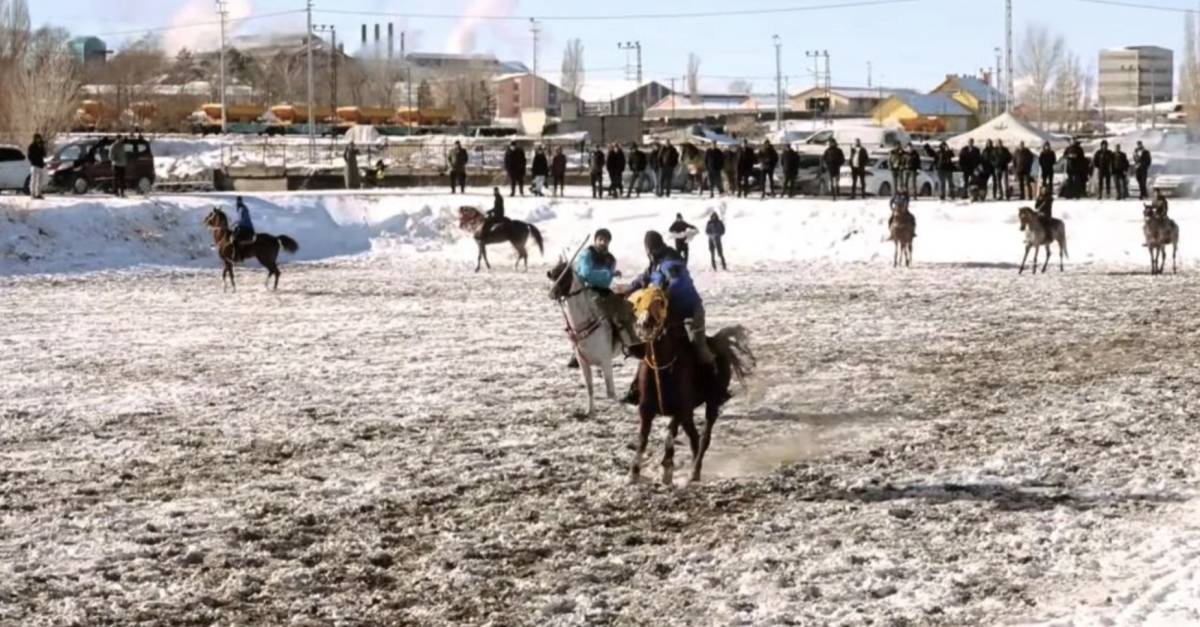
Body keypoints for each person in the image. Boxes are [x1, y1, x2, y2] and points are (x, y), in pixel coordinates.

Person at [626, 230, 716, 370]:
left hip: (689, 311)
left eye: (649, 249)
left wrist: (663, 294)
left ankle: (714, 378)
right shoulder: (654, 263)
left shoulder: (671, 261)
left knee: (697, 345)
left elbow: (677, 281)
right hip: (668, 312)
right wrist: (627, 290)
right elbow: (642, 279)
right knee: (652, 339)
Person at [566, 228, 640, 369]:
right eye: (600, 239)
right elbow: (587, 274)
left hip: (603, 291)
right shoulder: (587, 254)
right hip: (586, 291)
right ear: (595, 240)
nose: (603, 242)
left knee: (626, 309)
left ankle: (627, 343)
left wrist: (606, 275)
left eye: (605, 240)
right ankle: (577, 354)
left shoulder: (611, 259)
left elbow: (603, 282)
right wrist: (608, 273)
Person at [27, 133, 46, 200]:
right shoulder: (31, 146)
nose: (38, 139)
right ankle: (32, 193)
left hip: (40, 165)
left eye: (39, 138)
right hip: (34, 165)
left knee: (40, 180)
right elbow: (29, 156)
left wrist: (42, 146)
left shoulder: (40, 145)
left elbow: (44, 154)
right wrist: (33, 160)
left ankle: (38, 193)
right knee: (33, 180)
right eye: (37, 138)